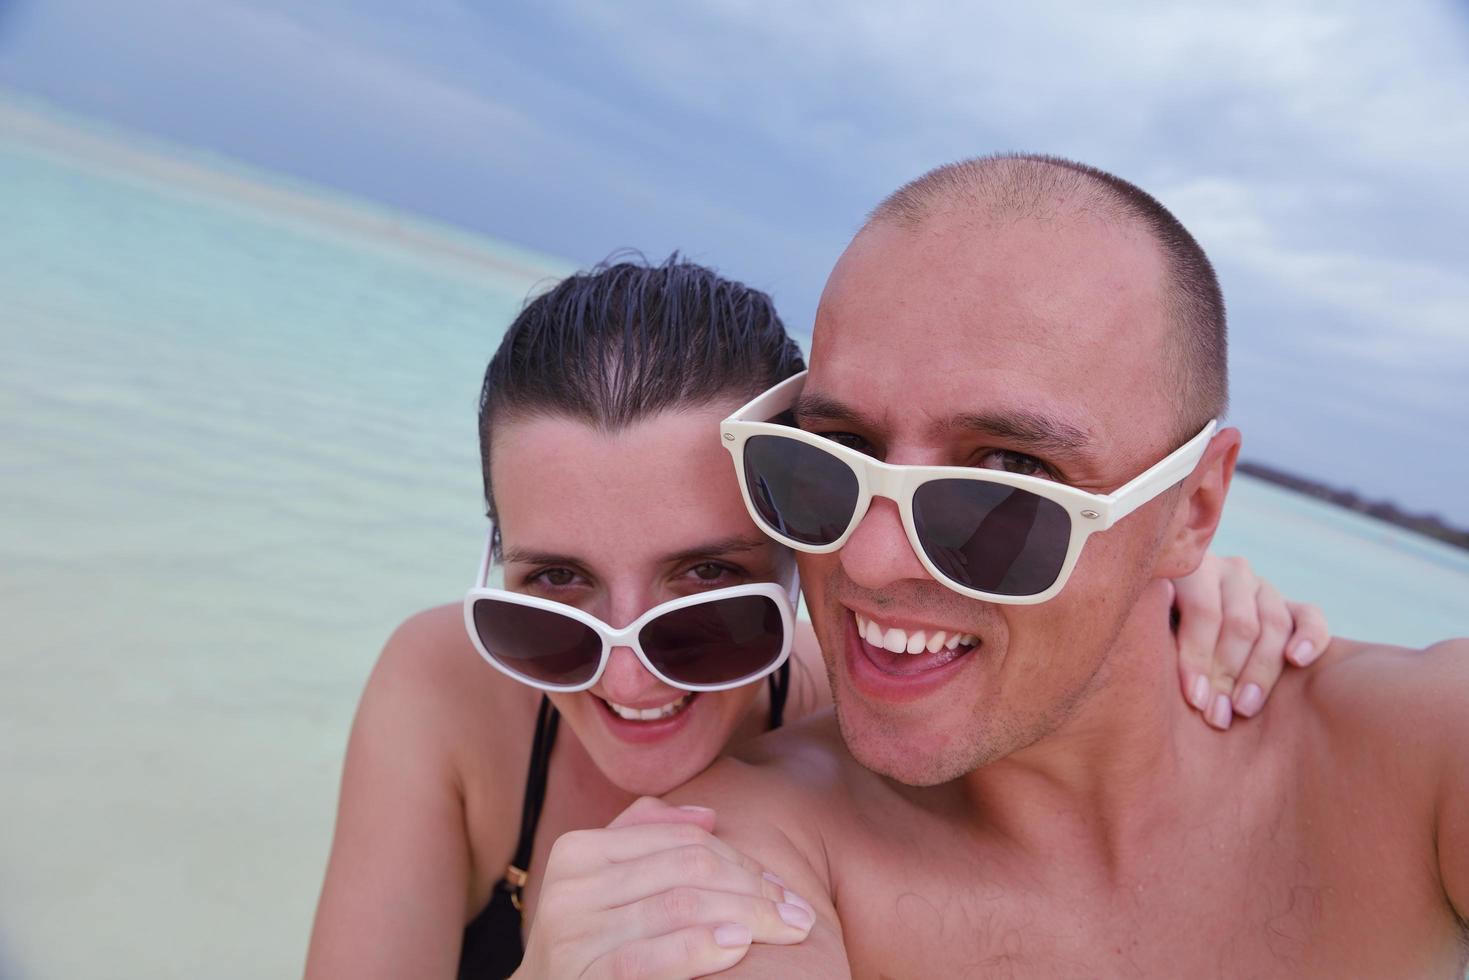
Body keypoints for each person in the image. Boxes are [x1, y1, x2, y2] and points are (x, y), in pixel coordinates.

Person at [303, 256, 1329, 980]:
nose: (627, 678)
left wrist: (1158, 577)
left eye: (707, 581)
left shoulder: (893, 706)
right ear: (494, 561)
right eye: (553, 591)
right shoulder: (446, 688)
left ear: (807, 539)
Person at [655, 155, 1469, 976]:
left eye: (1006, 478)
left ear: (1192, 510)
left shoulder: (1425, 750)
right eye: (837, 452)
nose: (866, 557)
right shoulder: (737, 856)